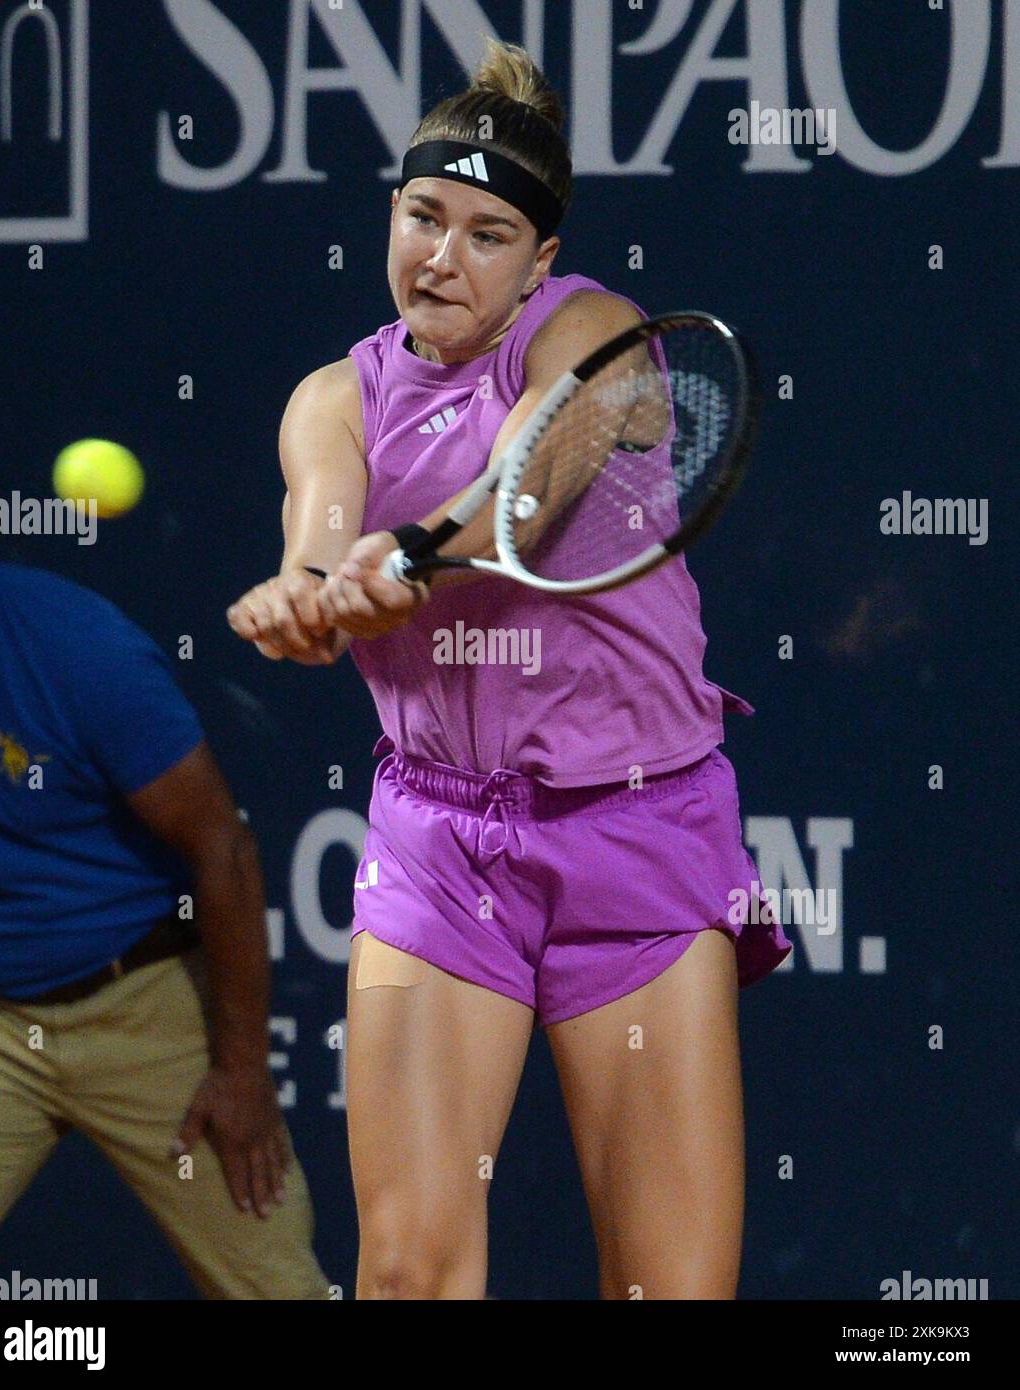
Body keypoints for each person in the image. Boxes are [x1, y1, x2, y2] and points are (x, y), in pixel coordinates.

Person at [227, 38, 792, 1300]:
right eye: (423, 216)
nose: (442, 255)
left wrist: (410, 557)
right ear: (389, 214)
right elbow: (320, 537)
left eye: (487, 234)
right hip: (441, 842)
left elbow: (528, 491)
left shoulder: (594, 331)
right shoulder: (335, 397)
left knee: (669, 1289)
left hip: (639, 831)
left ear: (539, 261)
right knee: (411, 1276)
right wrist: (307, 600)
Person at [0, 442, 329, 1300]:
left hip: (148, 1004)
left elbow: (223, 851)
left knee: (272, 1287)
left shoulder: (74, 646)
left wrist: (240, 1070)